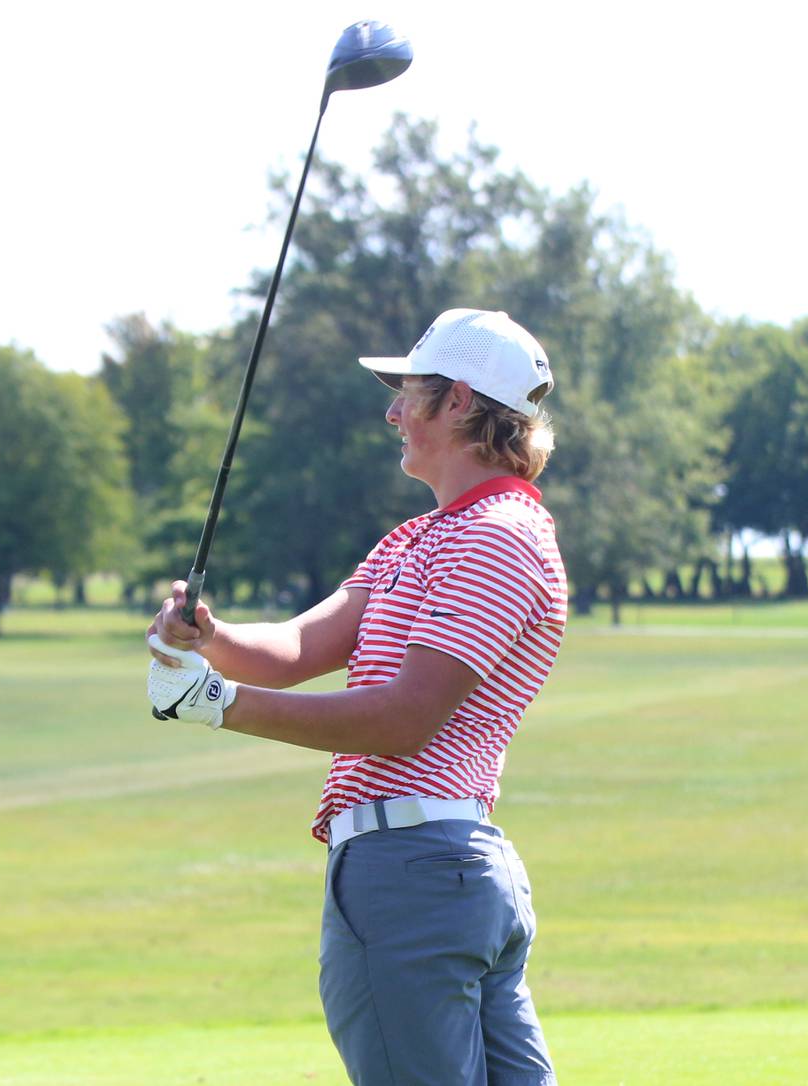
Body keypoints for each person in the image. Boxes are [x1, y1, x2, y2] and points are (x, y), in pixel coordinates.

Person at [146, 308, 566, 1086]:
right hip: (438, 873)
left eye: (408, 394)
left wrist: (216, 703)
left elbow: (403, 720)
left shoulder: (497, 536)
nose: (392, 413)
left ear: (460, 403)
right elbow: (302, 648)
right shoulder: (418, 538)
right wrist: (207, 636)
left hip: (413, 872)